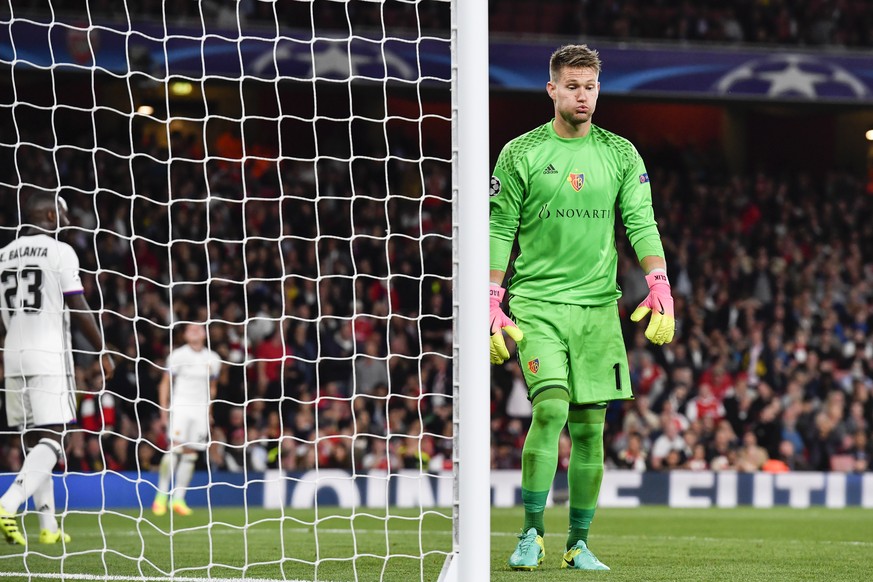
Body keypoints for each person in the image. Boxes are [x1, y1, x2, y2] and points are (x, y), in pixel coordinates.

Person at [489, 44, 674, 571]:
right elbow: (500, 227)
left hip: (598, 308)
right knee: (550, 410)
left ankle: (578, 543)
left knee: (592, 428)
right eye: (571, 86)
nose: (582, 95)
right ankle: (530, 534)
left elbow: (640, 220)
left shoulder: (620, 153)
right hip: (539, 302)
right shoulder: (520, 152)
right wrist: (491, 294)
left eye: (589, 86)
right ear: (552, 90)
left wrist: (658, 281)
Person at [0, 189, 115, 545]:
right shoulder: (59, 251)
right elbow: (77, 305)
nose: (68, 222)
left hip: (13, 354)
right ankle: (8, 502)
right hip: (49, 354)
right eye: (63, 216)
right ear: (49, 216)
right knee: (55, 438)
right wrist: (102, 349)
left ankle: (48, 527)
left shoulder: (2, 255)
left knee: (35, 439)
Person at [151, 323, 222, 516]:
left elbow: (213, 388)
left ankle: (179, 499)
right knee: (175, 448)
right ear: (185, 335)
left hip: (200, 410)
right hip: (180, 406)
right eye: (191, 329)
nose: (195, 331)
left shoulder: (213, 359)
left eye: (199, 328)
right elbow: (164, 384)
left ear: (205, 334)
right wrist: (164, 410)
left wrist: (209, 411)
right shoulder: (178, 355)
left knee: (191, 453)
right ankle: (161, 496)